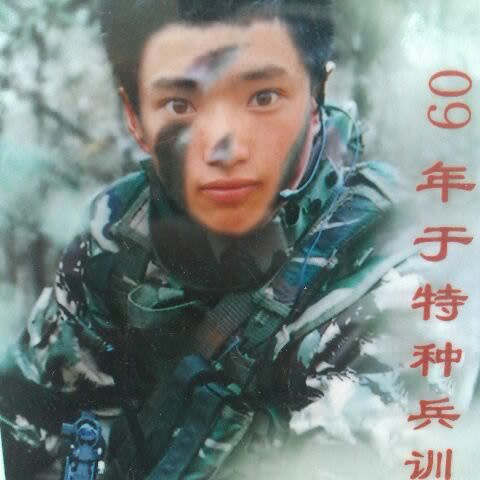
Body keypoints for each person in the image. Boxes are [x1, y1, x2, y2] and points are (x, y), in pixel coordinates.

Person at [0, 1, 418, 479]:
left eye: (263, 97)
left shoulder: (395, 276)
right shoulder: (115, 236)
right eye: (181, 105)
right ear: (135, 118)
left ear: (317, 94)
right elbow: (31, 434)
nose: (226, 147)